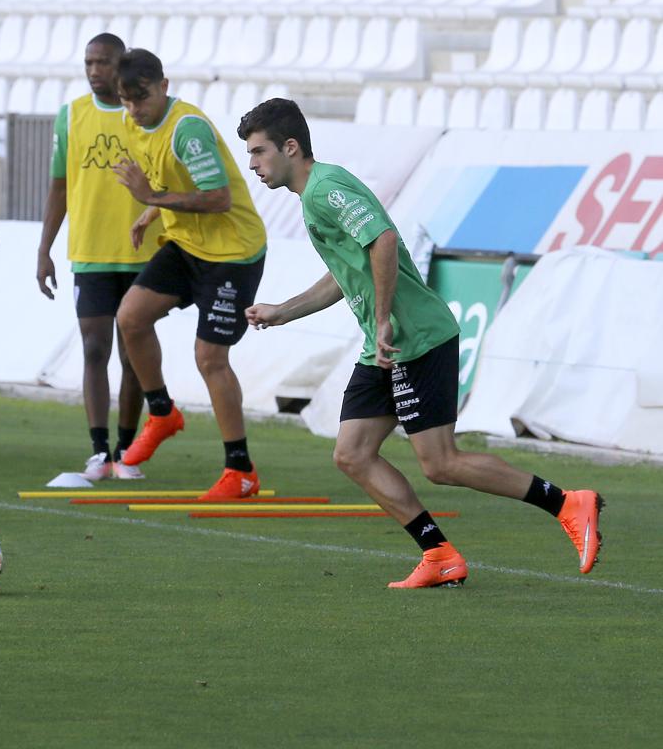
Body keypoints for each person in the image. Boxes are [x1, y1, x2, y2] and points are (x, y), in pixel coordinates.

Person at [237, 98, 604, 588]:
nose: (254, 165)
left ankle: (566, 503)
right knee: (353, 453)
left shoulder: (325, 188)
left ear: (290, 146)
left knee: (441, 463)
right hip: (386, 346)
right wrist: (284, 310)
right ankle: (438, 554)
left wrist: (385, 319)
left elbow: (383, 240)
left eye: (259, 152)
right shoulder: (313, 197)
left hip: (415, 339)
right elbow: (347, 272)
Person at [111, 49, 267, 500]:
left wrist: (153, 198)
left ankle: (241, 471)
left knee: (209, 358)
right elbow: (166, 184)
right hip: (187, 244)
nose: (134, 109)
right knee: (131, 318)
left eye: (141, 98)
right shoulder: (133, 123)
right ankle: (161, 413)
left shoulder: (188, 130)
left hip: (232, 253)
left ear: (163, 85)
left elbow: (218, 198)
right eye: (125, 100)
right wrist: (150, 211)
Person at [36, 33, 156, 481]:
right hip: (89, 252)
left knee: (132, 357)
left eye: (102, 63)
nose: (93, 71)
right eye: (88, 62)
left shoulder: (142, 115)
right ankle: (98, 450)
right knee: (93, 348)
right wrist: (44, 249)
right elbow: (58, 186)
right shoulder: (70, 116)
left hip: (141, 253)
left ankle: (126, 451)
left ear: (121, 64)